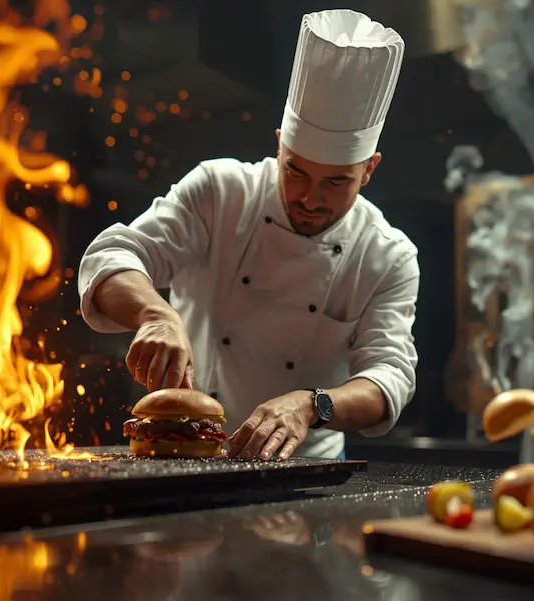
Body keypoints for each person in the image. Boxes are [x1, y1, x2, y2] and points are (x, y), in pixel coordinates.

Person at [78, 9, 419, 460]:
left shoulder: (387, 255)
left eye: (336, 182)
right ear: (280, 144)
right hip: (187, 455)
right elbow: (113, 255)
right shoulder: (220, 192)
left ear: (368, 170)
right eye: (295, 171)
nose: (310, 198)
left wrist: (311, 404)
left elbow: (389, 377)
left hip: (304, 464)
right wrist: (155, 315)